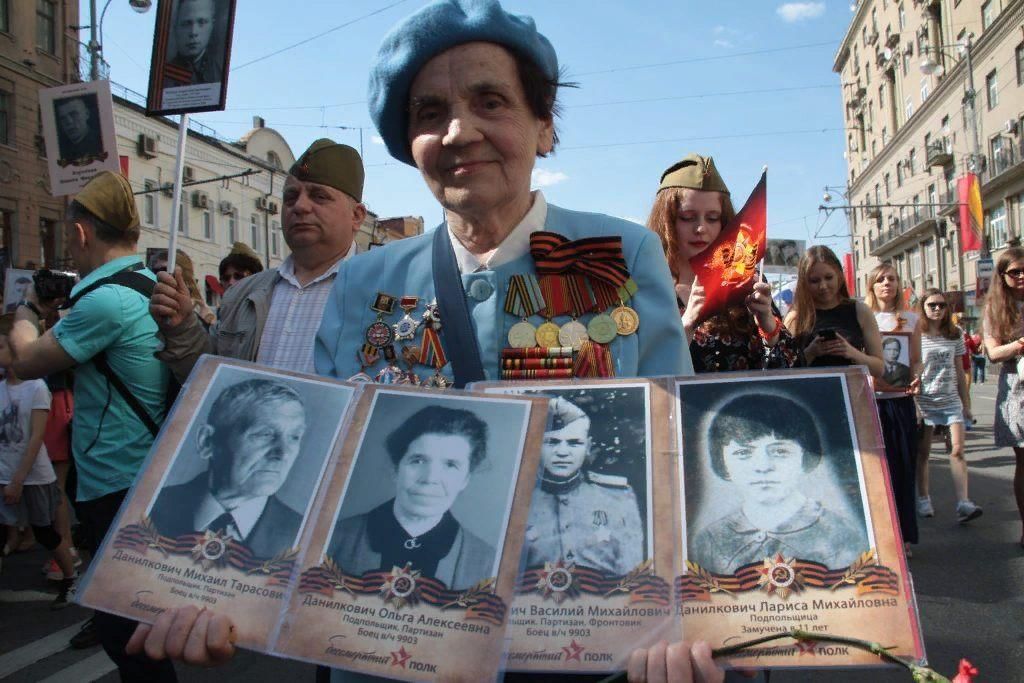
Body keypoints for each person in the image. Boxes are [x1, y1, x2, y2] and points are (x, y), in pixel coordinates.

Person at [130, 2, 717, 680]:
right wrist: (220, 594)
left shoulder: (620, 252)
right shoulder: (365, 280)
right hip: (391, 649)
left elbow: (674, 454)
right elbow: (319, 472)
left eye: (490, 100)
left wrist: (686, 619)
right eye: (430, 114)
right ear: (410, 144)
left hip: (581, 651)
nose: (460, 130)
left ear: (544, 125)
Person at [8, 171, 173, 679]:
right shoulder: (144, 286)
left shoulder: (104, 301)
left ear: (81, 234)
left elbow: (25, 361)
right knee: (141, 629)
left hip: (115, 482)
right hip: (144, 474)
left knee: (129, 638)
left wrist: (27, 309)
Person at [150, 138, 366, 378]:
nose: (300, 206)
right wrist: (183, 328)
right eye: (291, 197)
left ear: (357, 216)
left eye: (319, 196)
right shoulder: (242, 294)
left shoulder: (382, 290)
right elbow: (208, 381)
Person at [647, 153, 799, 372]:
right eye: (688, 217)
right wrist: (687, 325)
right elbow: (639, 377)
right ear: (666, 221)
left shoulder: (744, 279)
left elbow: (794, 368)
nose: (701, 229)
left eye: (712, 218)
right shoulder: (646, 286)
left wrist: (768, 324)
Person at [690, 392, 867, 574]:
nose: (763, 467)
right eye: (743, 453)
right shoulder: (710, 540)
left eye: (780, 452)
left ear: (805, 457)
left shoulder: (840, 535)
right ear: (722, 462)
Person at [329, 406, 494, 591]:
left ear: (465, 480)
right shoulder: (334, 537)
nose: (430, 478)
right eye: (418, 461)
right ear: (395, 469)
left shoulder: (488, 563)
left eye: (450, 465)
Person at [148, 379, 306, 558]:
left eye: (294, 437)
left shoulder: (306, 537)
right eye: (265, 434)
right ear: (207, 442)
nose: (283, 453)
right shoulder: (150, 507)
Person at [0, 314, 77, 608]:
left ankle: (70, 577)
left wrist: (19, 478)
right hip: (4, 472)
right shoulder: (1, 388)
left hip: (32, 475)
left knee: (45, 531)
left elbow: (36, 438)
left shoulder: (36, 388)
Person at [524, 396, 643, 575]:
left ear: (588, 447)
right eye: (552, 442)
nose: (562, 452)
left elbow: (632, 575)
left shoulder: (618, 498)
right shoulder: (517, 501)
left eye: (574, 443)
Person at [864, 262, 920, 556]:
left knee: (903, 470)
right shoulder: (864, 317)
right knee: (875, 471)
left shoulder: (910, 319)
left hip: (900, 402)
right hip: (871, 403)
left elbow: (916, 358)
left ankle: (905, 537)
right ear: (871, 285)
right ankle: (879, 536)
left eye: (893, 279)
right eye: (881, 279)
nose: (888, 283)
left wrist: (917, 377)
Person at [916, 288, 981, 524]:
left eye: (942, 305)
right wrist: (914, 402)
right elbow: (914, 369)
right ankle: (923, 498)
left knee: (957, 450)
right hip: (925, 400)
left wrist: (966, 405)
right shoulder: (918, 335)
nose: (937, 309)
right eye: (932, 305)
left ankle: (963, 501)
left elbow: (960, 370)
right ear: (923, 308)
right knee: (923, 453)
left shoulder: (955, 334)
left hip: (951, 400)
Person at [783, 245, 884, 378]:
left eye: (829, 277)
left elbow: (879, 369)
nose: (823, 286)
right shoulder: (795, 318)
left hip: (851, 394)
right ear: (804, 283)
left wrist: (852, 353)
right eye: (815, 281)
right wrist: (811, 353)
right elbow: (784, 371)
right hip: (810, 395)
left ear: (840, 276)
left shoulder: (860, 311)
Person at [981, 247, 1024, 548]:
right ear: (1002, 276)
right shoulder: (996, 308)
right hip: (1017, 389)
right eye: (1014, 272)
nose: (1021, 277)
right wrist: (1021, 343)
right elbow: (993, 353)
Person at [149, 249, 216, 328]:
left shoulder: (202, 311)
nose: (160, 275)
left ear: (184, 276)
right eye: (154, 271)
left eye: (165, 270)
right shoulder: (150, 301)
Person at [166, 0, 224, 86]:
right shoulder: (164, 76)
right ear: (176, 28)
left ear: (212, 25)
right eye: (187, 23)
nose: (193, 32)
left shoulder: (218, 73)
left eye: (202, 22)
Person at [54, 97, 103, 163]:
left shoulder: (101, 142)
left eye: (73, 114)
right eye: (63, 118)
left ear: (87, 114)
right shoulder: (60, 150)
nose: (69, 122)